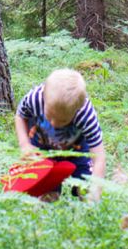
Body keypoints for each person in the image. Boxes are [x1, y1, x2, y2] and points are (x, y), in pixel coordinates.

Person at [15, 68, 106, 198]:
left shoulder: (85, 114)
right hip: (43, 148)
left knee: (85, 188)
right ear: (44, 97)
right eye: (49, 115)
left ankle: (87, 209)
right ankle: (44, 210)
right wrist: (24, 144)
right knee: (45, 190)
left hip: (76, 151)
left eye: (62, 120)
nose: (53, 123)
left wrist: (95, 190)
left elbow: (99, 157)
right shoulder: (35, 98)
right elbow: (20, 116)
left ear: (76, 111)